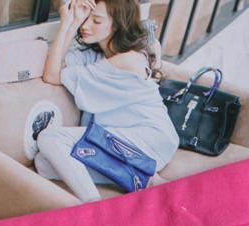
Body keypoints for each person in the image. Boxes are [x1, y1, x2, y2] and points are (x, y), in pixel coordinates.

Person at [37, 0, 179, 201]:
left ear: (118, 25)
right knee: (44, 163)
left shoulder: (126, 60)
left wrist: (66, 24)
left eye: (96, 21)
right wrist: (70, 22)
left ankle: (94, 205)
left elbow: (51, 76)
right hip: (118, 143)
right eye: (85, 19)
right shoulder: (96, 56)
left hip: (149, 138)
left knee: (50, 138)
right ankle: (142, 177)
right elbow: (56, 66)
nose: (86, 26)